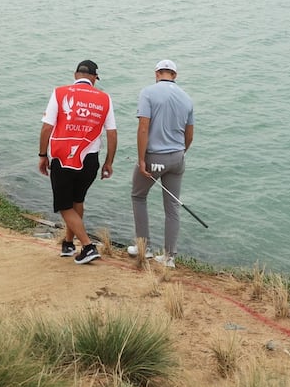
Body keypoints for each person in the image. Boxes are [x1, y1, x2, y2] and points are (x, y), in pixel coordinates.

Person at [38, 60, 118, 265]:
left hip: (63, 156)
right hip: (90, 159)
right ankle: (68, 243)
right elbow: (112, 133)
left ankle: (88, 246)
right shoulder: (105, 98)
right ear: (94, 78)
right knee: (77, 201)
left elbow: (47, 128)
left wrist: (42, 155)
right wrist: (109, 162)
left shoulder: (59, 93)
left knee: (64, 205)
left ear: (76, 75)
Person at [131, 59, 194, 269]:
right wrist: (179, 153)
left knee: (138, 196)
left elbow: (143, 128)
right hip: (177, 157)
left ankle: (144, 247)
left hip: (154, 157)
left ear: (157, 73)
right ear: (174, 75)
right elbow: (190, 135)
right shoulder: (186, 98)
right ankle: (169, 257)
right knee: (172, 207)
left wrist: (142, 159)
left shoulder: (148, 92)